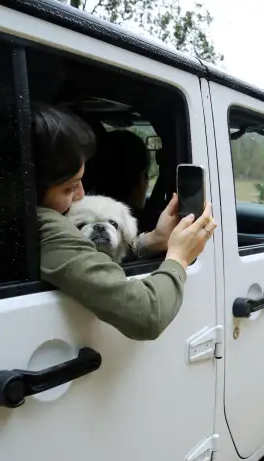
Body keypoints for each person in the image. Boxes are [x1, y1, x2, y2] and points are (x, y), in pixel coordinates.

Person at [33, 103, 217, 341]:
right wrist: (179, 257)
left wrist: (150, 241)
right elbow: (148, 314)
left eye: (82, 182)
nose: (80, 195)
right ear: (33, 187)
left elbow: (88, 256)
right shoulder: (46, 226)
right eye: (69, 187)